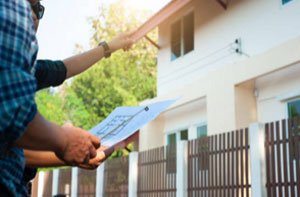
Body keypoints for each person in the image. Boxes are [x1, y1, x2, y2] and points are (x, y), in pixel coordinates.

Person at [0, 0, 133, 196]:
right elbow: (12, 117)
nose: (33, 15)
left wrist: (108, 47)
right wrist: (65, 142)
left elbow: (61, 69)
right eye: (28, 5)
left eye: (39, 9)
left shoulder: (25, 69)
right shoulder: (10, 13)